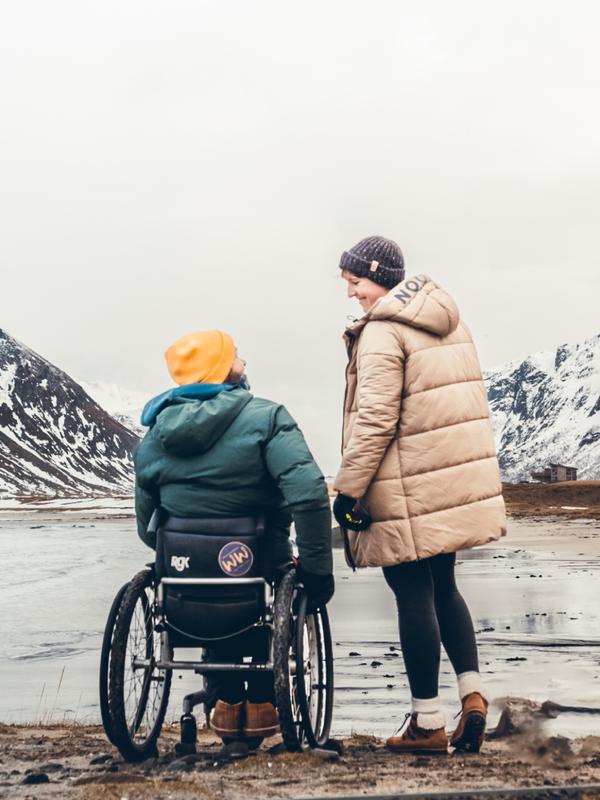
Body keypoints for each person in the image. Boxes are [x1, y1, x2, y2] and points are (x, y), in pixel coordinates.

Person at [332, 236, 506, 754]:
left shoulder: (384, 332)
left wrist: (348, 490)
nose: (351, 294)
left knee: (411, 592)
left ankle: (426, 723)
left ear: (379, 276)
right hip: (445, 482)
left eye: (355, 282)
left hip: (403, 485)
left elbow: (376, 419)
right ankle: (472, 696)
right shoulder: (450, 323)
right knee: (445, 587)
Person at [134, 329, 334, 742]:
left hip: (184, 575)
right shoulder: (267, 417)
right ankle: (261, 702)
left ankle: (224, 703)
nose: (244, 362)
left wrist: (178, 549)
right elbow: (309, 494)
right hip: (259, 558)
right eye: (237, 356)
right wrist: (317, 570)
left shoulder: (155, 434)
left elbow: (147, 523)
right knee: (269, 577)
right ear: (221, 370)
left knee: (211, 583)